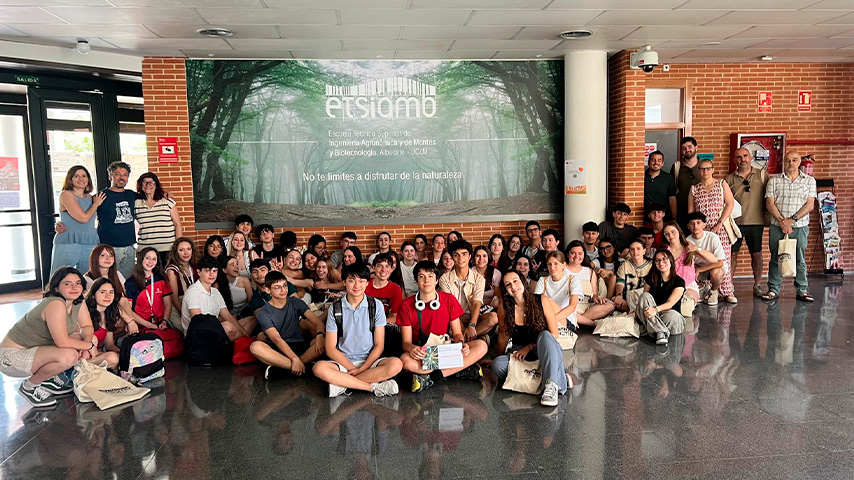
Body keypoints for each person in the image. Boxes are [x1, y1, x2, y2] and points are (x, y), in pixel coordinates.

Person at [0, 267, 103, 407]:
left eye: (78, 283)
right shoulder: (55, 303)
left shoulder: (77, 301)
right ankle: (29, 386)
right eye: (67, 284)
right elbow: (62, 342)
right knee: (69, 355)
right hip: (11, 357)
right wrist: (89, 346)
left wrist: (87, 344)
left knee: (89, 339)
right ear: (56, 288)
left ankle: (50, 379)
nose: (74, 287)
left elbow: (87, 327)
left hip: (36, 349)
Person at [312, 264, 403, 398]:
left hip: (370, 361)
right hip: (343, 362)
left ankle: (342, 383)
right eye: (351, 280)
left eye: (361, 281)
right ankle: (372, 387)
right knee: (318, 368)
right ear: (344, 282)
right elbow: (330, 349)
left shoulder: (376, 306)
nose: (356, 285)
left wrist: (361, 369)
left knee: (396, 364)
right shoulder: (335, 308)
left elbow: (379, 345)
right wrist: (350, 367)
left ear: (367, 283)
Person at [399, 261, 487, 393]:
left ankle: (434, 377)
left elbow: (457, 334)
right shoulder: (406, 305)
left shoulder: (448, 299)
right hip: (425, 353)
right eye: (421, 276)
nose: (426, 280)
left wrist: (461, 344)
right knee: (405, 361)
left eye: (430, 276)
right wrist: (412, 349)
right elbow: (406, 343)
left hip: (446, 349)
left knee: (482, 346)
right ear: (416, 281)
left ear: (436, 280)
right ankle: (458, 370)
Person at [494, 269, 572, 407]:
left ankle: (550, 387)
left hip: (543, 349)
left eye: (515, 281)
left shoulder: (541, 299)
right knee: (498, 364)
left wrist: (529, 347)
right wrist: (497, 357)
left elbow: (554, 334)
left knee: (545, 335)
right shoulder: (504, 307)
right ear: (505, 290)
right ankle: (558, 377)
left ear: (523, 282)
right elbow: (503, 335)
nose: (513, 286)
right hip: (520, 354)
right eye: (508, 284)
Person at [249, 271, 326, 379]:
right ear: (268, 290)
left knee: (326, 341)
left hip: (299, 344)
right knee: (255, 347)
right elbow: (276, 339)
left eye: (285, 286)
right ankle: (303, 367)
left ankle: (282, 369)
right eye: (277, 287)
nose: (283, 290)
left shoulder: (295, 301)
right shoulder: (263, 312)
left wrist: (320, 335)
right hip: (278, 350)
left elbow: (317, 322)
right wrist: (294, 359)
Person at [763, 151, 816, 302]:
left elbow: (810, 205)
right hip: (777, 227)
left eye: (794, 160)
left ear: (799, 162)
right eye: (788, 160)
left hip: (800, 227)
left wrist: (791, 221)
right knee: (776, 258)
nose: (791, 163)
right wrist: (782, 221)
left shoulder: (809, 181)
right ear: (783, 162)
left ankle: (802, 290)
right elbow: (769, 203)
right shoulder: (774, 181)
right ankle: (773, 289)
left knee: (800, 259)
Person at [688, 158, 737, 304]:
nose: (705, 171)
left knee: (723, 260)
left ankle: (727, 292)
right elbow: (691, 211)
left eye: (708, 168)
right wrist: (697, 226)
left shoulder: (721, 184)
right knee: (702, 257)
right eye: (702, 169)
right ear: (699, 171)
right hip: (701, 230)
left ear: (713, 170)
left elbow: (730, 204)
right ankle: (707, 289)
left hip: (720, 228)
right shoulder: (694, 189)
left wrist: (719, 223)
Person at [726, 147, 770, 297]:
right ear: (734, 160)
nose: (742, 159)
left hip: (756, 222)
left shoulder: (763, 175)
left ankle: (757, 285)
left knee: (757, 254)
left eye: (745, 156)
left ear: (750, 157)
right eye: (738, 157)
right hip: (734, 224)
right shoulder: (729, 179)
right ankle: (728, 285)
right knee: (732, 255)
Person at [438, 240, 498, 341]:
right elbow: (450, 307)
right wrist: (460, 327)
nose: (461, 258)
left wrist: (472, 326)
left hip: (472, 316)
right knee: (451, 328)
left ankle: (467, 337)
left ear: (470, 256)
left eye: (464, 254)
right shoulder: (444, 279)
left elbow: (477, 303)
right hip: (454, 317)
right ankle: (476, 337)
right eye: (456, 255)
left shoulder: (479, 279)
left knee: (493, 317)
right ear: (452, 257)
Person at [181, 255, 250, 340]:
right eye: (207, 271)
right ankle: (242, 341)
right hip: (197, 336)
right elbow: (198, 322)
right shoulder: (193, 292)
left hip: (213, 329)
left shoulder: (215, 291)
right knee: (228, 326)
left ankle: (245, 339)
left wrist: (244, 333)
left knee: (250, 320)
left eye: (214, 271)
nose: (212, 274)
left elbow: (227, 316)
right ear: (199, 272)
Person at [51, 165, 104, 273]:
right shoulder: (66, 194)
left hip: (90, 241)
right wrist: (96, 204)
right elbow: (83, 218)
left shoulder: (91, 198)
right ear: (70, 179)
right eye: (76, 176)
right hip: (69, 241)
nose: (81, 179)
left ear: (88, 179)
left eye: (84, 176)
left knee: (87, 278)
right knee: (60, 277)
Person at [661, 221, 719, 308]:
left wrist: (697, 249)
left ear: (679, 232)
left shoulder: (688, 247)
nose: (671, 236)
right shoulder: (665, 251)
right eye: (667, 234)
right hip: (671, 286)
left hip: (689, 286)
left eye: (673, 232)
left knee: (686, 307)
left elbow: (714, 260)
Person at [95, 161, 138, 277]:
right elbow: (87, 216)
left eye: (125, 175)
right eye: (118, 174)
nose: (121, 177)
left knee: (125, 279)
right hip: (109, 247)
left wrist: (167, 194)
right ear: (110, 176)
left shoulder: (132, 195)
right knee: (108, 279)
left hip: (129, 246)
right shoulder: (101, 196)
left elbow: (151, 197)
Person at [637, 250, 686, 347]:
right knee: (644, 296)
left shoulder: (679, 281)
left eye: (664, 259)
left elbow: (670, 303)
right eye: (657, 260)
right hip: (653, 316)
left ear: (671, 261)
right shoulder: (651, 278)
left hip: (667, 316)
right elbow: (644, 301)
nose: (661, 263)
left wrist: (655, 310)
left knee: (673, 316)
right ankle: (660, 333)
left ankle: (654, 330)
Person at [135, 172, 182, 266]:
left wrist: (178, 246)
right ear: (140, 185)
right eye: (144, 182)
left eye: (151, 182)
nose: (148, 185)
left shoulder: (167, 201)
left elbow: (178, 224)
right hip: (145, 250)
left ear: (156, 185)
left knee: (168, 278)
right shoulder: (136, 203)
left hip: (167, 250)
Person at [564, 242, 615, 326]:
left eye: (580, 253)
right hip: (570, 306)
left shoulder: (589, 271)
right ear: (567, 254)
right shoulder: (562, 270)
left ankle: (577, 321)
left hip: (587, 307)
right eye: (573, 253)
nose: (577, 256)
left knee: (610, 305)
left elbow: (594, 295)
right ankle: (589, 323)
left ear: (584, 254)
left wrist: (597, 299)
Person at [685, 212, 730, 306]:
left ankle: (713, 291)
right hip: (699, 268)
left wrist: (697, 250)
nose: (695, 226)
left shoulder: (713, 237)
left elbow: (719, 263)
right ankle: (701, 288)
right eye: (692, 223)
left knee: (716, 273)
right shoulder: (687, 240)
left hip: (714, 267)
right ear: (688, 226)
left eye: (698, 223)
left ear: (704, 224)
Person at [84, 278, 132, 364]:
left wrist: (124, 353)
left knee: (118, 358)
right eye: (102, 292)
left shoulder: (108, 314)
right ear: (93, 295)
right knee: (113, 358)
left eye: (111, 292)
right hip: (83, 354)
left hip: (97, 354)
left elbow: (109, 345)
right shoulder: (85, 312)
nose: (108, 296)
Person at [534, 251, 582, 328]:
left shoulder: (572, 280)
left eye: (556, 264)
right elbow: (536, 303)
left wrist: (551, 321)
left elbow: (572, 307)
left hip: (566, 320)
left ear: (564, 265)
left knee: (546, 299)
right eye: (549, 264)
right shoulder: (542, 280)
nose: (552, 267)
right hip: (546, 318)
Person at [164, 237, 197, 334]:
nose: (186, 253)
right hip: (177, 308)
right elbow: (174, 299)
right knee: (191, 331)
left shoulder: (194, 267)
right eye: (181, 250)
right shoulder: (172, 270)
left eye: (188, 249)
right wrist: (186, 315)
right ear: (176, 252)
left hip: (193, 305)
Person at [613, 239, 652, 312]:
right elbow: (620, 282)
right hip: (629, 297)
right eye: (632, 249)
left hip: (644, 298)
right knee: (615, 301)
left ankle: (636, 311)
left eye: (638, 249)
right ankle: (636, 312)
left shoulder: (651, 265)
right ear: (629, 252)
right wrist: (619, 295)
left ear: (644, 251)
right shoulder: (625, 265)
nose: (635, 252)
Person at [672, 136, 702, 231]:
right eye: (684, 148)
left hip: (701, 212)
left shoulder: (704, 165)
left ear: (696, 148)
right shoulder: (676, 167)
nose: (687, 150)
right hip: (682, 213)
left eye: (690, 147)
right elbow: (673, 192)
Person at [365, 253, 403, 326]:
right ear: (373, 268)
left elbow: (395, 317)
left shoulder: (395, 289)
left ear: (391, 269)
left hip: (384, 326)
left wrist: (376, 323)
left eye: (387, 266)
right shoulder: (365, 285)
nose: (383, 270)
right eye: (379, 266)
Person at [644, 150, 677, 220]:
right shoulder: (642, 177)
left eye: (659, 160)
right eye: (653, 160)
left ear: (662, 163)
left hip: (663, 218)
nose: (656, 163)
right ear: (648, 162)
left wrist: (674, 218)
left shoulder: (668, 178)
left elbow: (672, 199)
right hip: (645, 218)